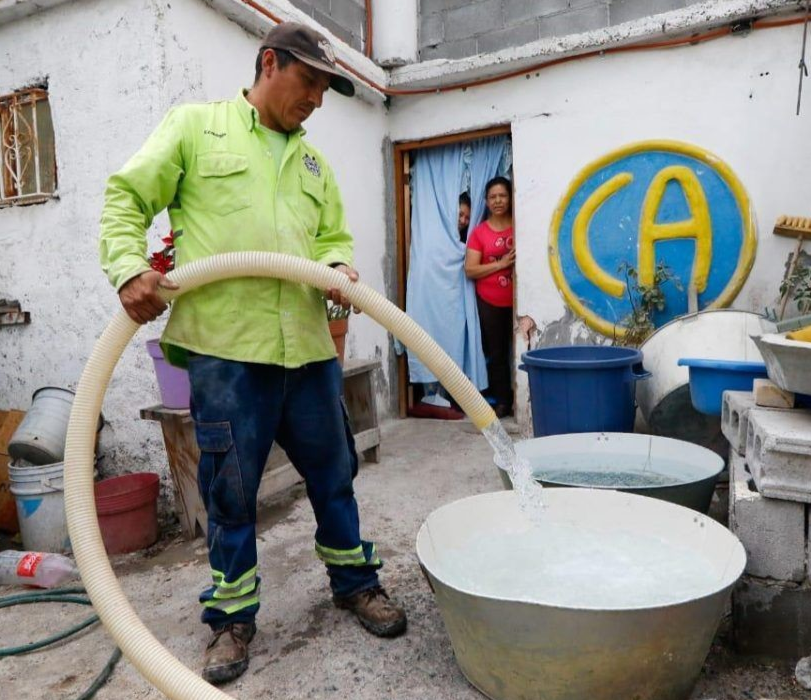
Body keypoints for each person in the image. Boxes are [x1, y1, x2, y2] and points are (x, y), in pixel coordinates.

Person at [98, 23, 406, 687]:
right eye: (310, 83)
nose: (319, 100)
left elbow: (333, 236)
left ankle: (355, 583)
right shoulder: (195, 128)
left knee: (335, 476)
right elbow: (126, 195)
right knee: (231, 492)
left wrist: (337, 267)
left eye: (327, 89)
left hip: (307, 350)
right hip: (228, 354)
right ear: (270, 62)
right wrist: (129, 269)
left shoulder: (314, 164)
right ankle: (231, 620)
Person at [464, 177, 515, 418]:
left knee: (521, 350)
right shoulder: (479, 233)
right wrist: (502, 264)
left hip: (519, 304)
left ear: (510, 197)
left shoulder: (519, 225)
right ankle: (503, 401)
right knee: (496, 353)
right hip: (489, 302)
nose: (498, 201)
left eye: (502, 196)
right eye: (493, 197)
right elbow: (470, 269)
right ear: (486, 201)